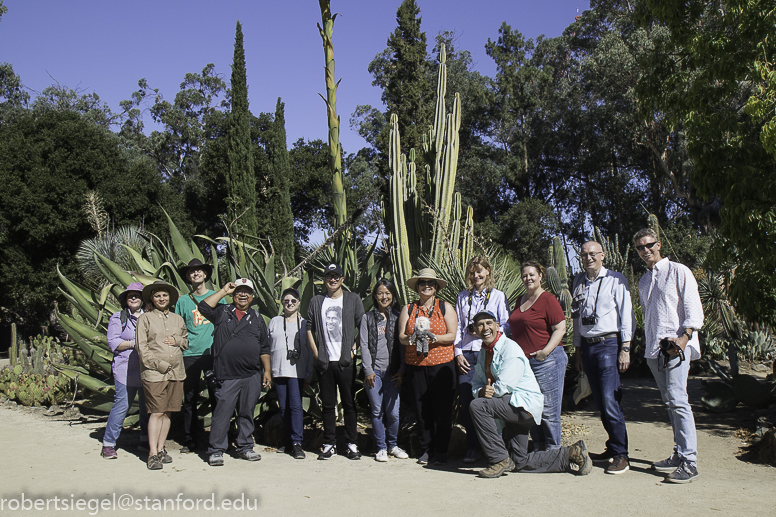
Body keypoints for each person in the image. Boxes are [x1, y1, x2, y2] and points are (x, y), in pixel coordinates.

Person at [468, 310, 592, 478]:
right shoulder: (484, 352)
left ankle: (499, 460)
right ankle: (572, 453)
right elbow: (476, 383)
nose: (485, 328)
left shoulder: (509, 348)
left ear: (497, 326)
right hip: (510, 409)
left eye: (489, 323)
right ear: (475, 330)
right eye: (480, 325)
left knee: (478, 406)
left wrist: (487, 393)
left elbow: (505, 385)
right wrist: (481, 391)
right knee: (519, 461)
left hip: (522, 406)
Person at [634, 228, 704, 483]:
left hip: (676, 347)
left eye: (649, 245)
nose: (645, 251)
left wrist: (684, 338)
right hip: (654, 350)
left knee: (678, 399)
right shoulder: (643, 281)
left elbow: (693, 308)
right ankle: (679, 453)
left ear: (659, 244)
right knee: (669, 402)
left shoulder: (678, 271)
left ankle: (690, 461)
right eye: (640, 248)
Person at [571, 241, 635, 475]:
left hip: (608, 344)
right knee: (599, 399)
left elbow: (626, 314)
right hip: (587, 346)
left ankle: (622, 455)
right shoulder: (578, 281)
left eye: (593, 254)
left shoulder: (616, 280)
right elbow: (577, 319)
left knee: (610, 399)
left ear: (603, 256)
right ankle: (613, 446)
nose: (588, 258)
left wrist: (625, 347)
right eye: (584, 254)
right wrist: (578, 350)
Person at [198, 278, 271, 467]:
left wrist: (267, 371)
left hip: (251, 374)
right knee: (222, 413)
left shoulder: (256, 318)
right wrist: (223, 291)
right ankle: (216, 450)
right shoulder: (223, 311)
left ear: (253, 296)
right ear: (234, 294)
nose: (243, 294)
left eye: (247, 291)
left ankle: (245, 446)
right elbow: (203, 308)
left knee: (246, 412)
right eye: (239, 291)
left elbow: (264, 347)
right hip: (226, 374)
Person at [398, 268, 458, 465]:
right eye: (422, 283)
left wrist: (435, 338)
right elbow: (401, 337)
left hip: (441, 366)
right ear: (417, 287)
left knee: (442, 409)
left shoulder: (445, 307)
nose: (426, 286)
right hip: (416, 364)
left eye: (430, 283)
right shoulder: (408, 309)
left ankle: (440, 451)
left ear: (436, 288)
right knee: (422, 409)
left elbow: (452, 335)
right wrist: (413, 338)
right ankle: (426, 449)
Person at [307, 263, 365, 460]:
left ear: (342, 279)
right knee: (328, 405)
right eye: (329, 276)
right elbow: (309, 327)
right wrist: (316, 353)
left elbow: (362, 325)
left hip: (345, 362)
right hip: (325, 361)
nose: (332, 279)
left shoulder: (352, 299)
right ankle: (329, 443)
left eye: (336, 276)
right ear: (324, 279)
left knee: (349, 403)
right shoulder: (316, 301)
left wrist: (353, 349)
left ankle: (352, 443)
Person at [508, 261, 567, 451]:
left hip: (547, 361)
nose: (528, 278)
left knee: (549, 409)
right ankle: (539, 448)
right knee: (532, 407)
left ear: (541, 276)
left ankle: (553, 451)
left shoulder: (548, 299)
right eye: (524, 275)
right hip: (526, 364)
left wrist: (544, 352)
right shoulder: (520, 300)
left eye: (532, 274)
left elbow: (560, 328)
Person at [455, 256, 509, 464]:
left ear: (488, 271)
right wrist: (457, 353)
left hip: (489, 352)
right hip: (467, 355)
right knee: (468, 400)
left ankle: (495, 448)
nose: (476, 276)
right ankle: (473, 447)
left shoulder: (497, 296)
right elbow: (459, 327)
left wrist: (485, 331)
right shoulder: (462, 297)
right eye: (472, 272)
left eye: (480, 271)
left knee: (491, 401)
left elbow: (506, 325)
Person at [136, 280, 188, 471]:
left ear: (169, 298)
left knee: (168, 412)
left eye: (164, 295)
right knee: (156, 412)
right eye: (157, 295)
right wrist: (160, 365)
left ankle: (161, 448)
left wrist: (178, 340)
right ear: (152, 298)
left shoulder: (177, 319)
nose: (161, 298)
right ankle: (152, 454)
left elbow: (186, 341)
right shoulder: (145, 319)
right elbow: (142, 348)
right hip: (154, 373)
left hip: (176, 372)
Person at [175, 258, 222, 454]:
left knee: (216, 396)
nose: (195, 274)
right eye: (191, 272)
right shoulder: (182, 301)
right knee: (189, 398)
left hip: (212, 352)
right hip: (190, 353)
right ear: (188, 276)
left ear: (205, 275)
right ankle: (189, 439)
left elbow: (224, 323)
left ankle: (218, 438)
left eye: (199, 271)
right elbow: (178, 327)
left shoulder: (218, 296)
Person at [360, 278, 409, 462]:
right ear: (375, 296)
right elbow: (364, 345)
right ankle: (381, 447)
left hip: (393, 373)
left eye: (387, 293)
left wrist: (402, 369)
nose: (384, 296)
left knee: (393, 412)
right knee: (377, 410)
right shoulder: (367, 317)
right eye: (380, 293)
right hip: (374, 373)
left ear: (393, 295)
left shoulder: (398, 318)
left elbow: (403, 347)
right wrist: (368, 370)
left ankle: (393, 445)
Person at [102, 283, 149, 459]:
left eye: (137, 295)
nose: (134, 298)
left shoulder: (150, 317)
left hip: (147, 369)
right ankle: (108, 443)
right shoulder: (118, 318)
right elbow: (113, 343)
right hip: (125, 369)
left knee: (147, 407)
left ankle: (145, 440)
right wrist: (133, 344)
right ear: (125, 299)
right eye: (131, 296)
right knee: (122, 406)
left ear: (143, 299)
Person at [267, 287, 313, 460]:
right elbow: (267, 345)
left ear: (299, 302)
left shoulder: (304, 323)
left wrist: (309, 373)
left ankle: (297, 442)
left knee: (295, 406)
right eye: (286, 300)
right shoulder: (274, 321)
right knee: (284, 407)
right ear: (281, 302)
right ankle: (287, 441)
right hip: (278, 370)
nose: (290, 303)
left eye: (293, 300)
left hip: (297, 371)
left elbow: (309, 350)